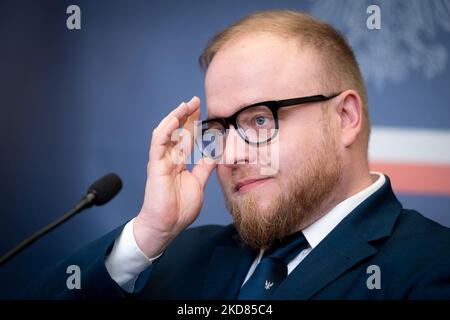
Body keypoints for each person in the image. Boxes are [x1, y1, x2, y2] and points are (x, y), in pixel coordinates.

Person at [30, 9, 450, 299]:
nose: (229, 153)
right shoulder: (176, 255)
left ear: (344, 117)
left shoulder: (431, 267)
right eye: (218, 129)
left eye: (260, 121)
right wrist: (146, 236)